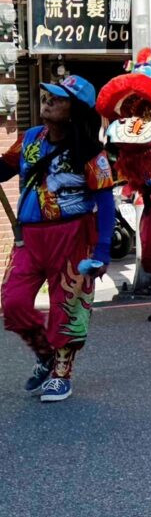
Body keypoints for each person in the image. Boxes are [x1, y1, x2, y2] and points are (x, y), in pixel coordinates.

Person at [0, 76, 114, 402]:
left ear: (74, 110)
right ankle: (46, 355)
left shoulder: (93, 154)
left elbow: (105, 201)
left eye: (58, 98)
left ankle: (62, 372)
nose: (47, 100)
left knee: (67, 307)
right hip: (29, 239)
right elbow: (4, 169)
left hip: (73, 238)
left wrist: (103, 250)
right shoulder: (30, 138)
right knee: (14, 302)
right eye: (48, 95)